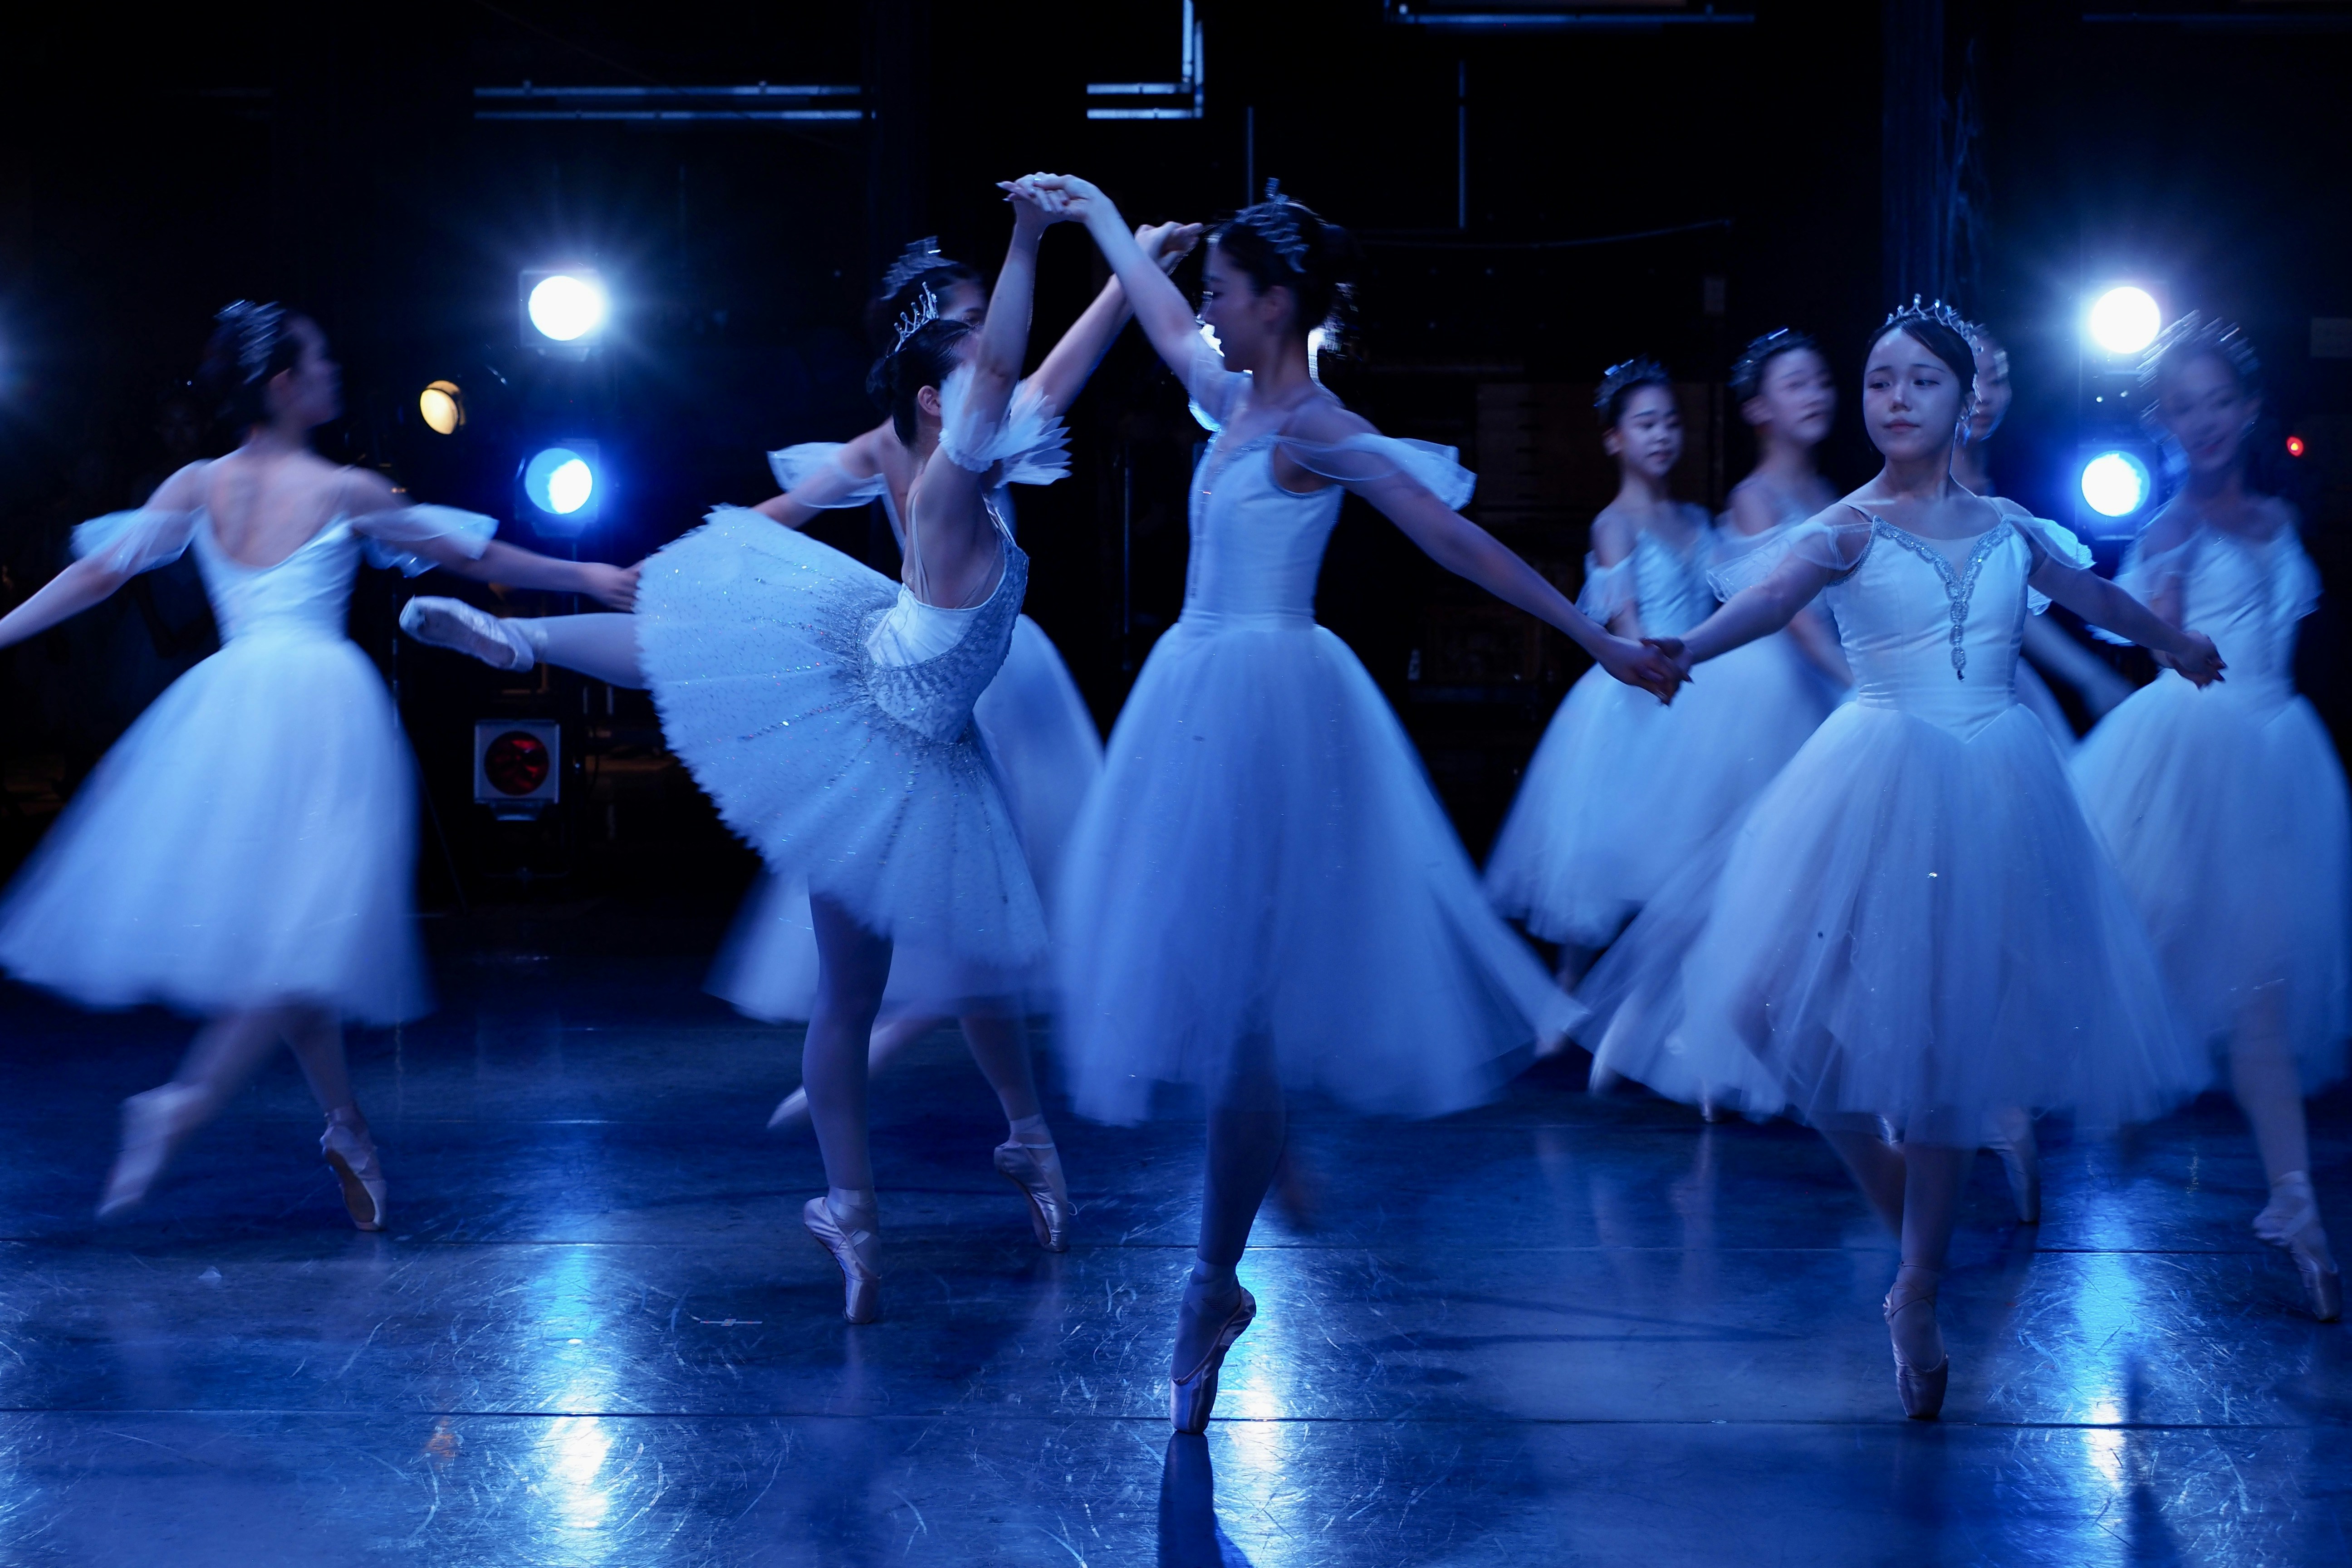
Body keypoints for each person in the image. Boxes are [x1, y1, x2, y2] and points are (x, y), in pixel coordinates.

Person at [1025, 173, 1680, 1433]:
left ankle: (1214, 1277)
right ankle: (1253, 1186)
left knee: (1243, 1015)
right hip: (1201, 697)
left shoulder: (1316, 429)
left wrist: (1595, 642)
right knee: (1219, 999)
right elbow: (1159, 319)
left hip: (1272, 711)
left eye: (1226, 292)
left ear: (1278, 305)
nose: (1207, 310)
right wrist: (1095, 214)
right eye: (1208, 290)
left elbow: (1452, 539)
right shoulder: (1225, 399)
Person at [402, 181, 1077, 1322]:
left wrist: (1110, 255)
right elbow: (999, 383)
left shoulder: (961, 447)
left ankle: (865, 1210)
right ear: (933, 381)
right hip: (903, 708)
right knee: (944, 970)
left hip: (899, 715)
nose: (990, 370)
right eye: (964, 350)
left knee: (884, 991)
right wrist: (1042, 237)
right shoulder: (941, 453)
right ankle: (1009, 1148)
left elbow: (1043, 372)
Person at [1580, 300, 2220, 1418]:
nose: (1894, 400)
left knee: (1945, 1047)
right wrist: (1682, 646)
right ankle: (1887, 1185)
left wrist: (2172, 640)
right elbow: (1772, 600)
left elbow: (2096, 596)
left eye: (1920, 381)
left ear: (1963, 399)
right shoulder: (1847, 526)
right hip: (1876, 768)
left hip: (1994, 781)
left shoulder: (2013, 524)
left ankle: (1915, 1288)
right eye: (1880, 382)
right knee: (1762, 1000)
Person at [0, 303, 636, 1228]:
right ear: (285, 385)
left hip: (232, 707)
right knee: (307, 933)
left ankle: (346, 1125)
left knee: (300, 933)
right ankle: (187, 1101)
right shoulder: (346, 490)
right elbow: (475, 552)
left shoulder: (199, 485)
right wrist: (585, 577)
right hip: (319, 712)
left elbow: (100, 576)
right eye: (322, 359)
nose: (337, 371)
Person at [724, 222, 1201, 1259]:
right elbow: (783, 513)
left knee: (984, 933)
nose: (994, 342)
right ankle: (970, 1105)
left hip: (992, 680)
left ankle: (979, 1115)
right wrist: (704, 559)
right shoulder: (901, 444)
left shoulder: (978, 428)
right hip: (924, 684)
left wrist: (1134, 274)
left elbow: (1064, 363)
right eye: (974, 325)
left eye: (992, 322)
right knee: (959, 934)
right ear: (929, 354)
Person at [2072, 315, 2347, 1320]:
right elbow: (2164, 650)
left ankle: (2297, 1207)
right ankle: (2057, 1110)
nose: (2202, 421)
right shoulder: (2169, 533)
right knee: (2147, 955)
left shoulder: (2279, 521)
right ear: (2162, 421)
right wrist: (2175, 618)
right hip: (2192, 760)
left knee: (2265, 997)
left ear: (2248, 408)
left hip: (2280, 766)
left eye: (2216, 401)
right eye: (2181, 406)